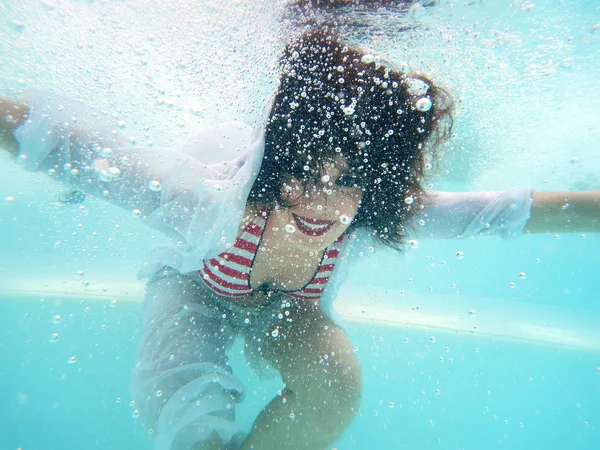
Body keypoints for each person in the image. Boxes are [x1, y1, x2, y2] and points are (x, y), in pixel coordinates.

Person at [0, 27, 598, 450]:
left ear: (376, 185)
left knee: (337, 387)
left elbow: (504, 212)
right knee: (190, 423)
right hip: (195, 289)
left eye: (349, 182)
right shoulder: (204, 202)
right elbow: (79, 151)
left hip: (287, 308)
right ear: (274, 163)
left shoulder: (370, 215)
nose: (322, 203)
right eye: (305, 174)